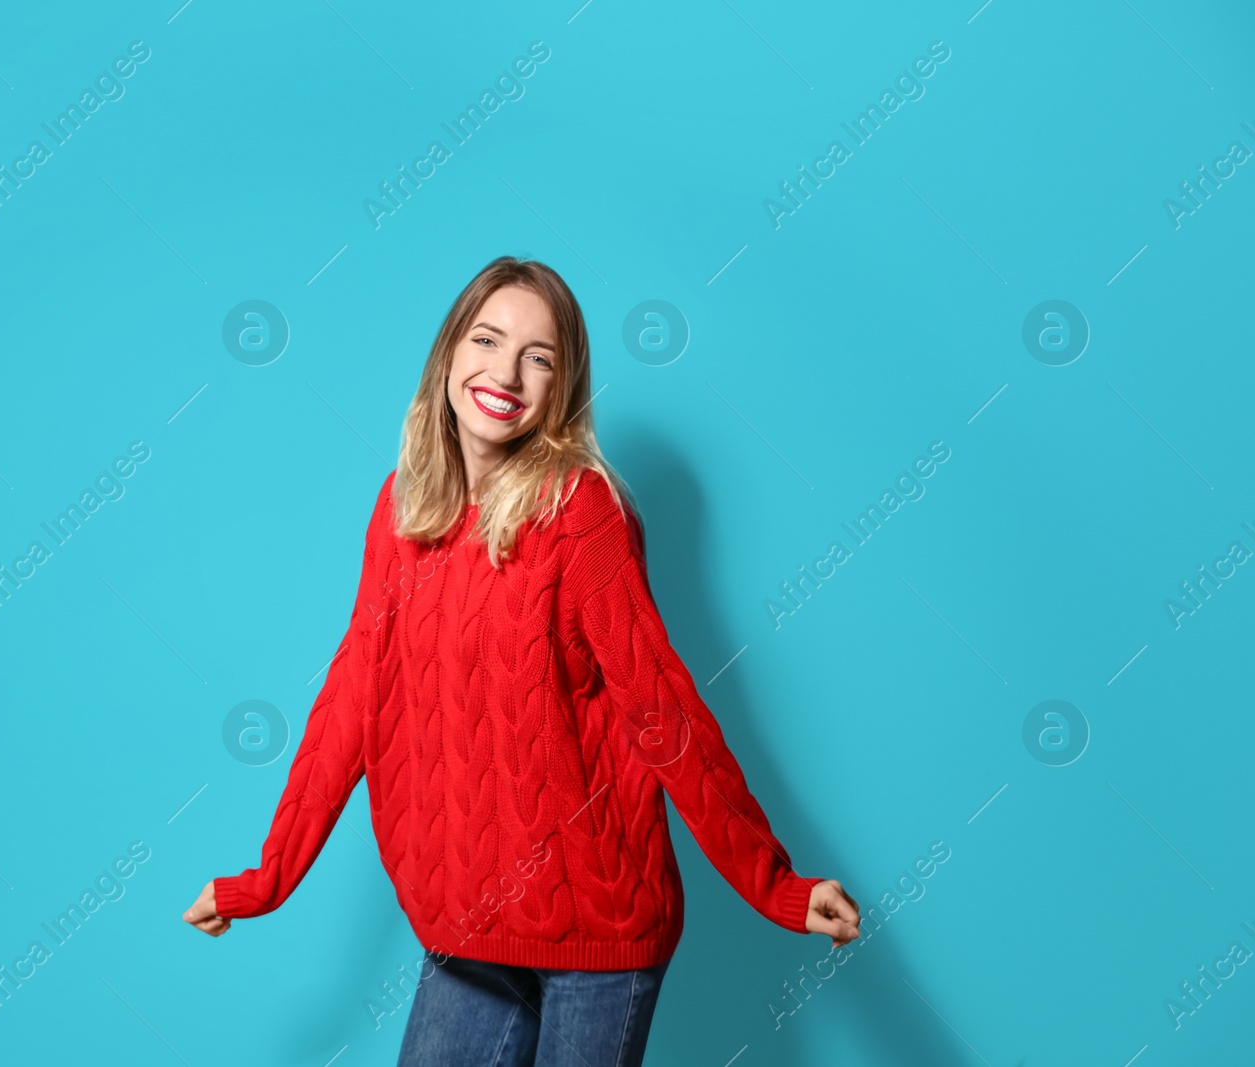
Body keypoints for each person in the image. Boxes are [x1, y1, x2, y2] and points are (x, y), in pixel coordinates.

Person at [184, 256, 860, 1065]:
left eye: (539, 356)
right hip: (464, 928)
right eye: (488, 339)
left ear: (563, 385)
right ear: (448, 356)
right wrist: (268, 878)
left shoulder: (581, 513)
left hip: (596, 930)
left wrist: (774, 884)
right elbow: (352, 698)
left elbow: (663, 710)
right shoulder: (403, 509)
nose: (505, 372)